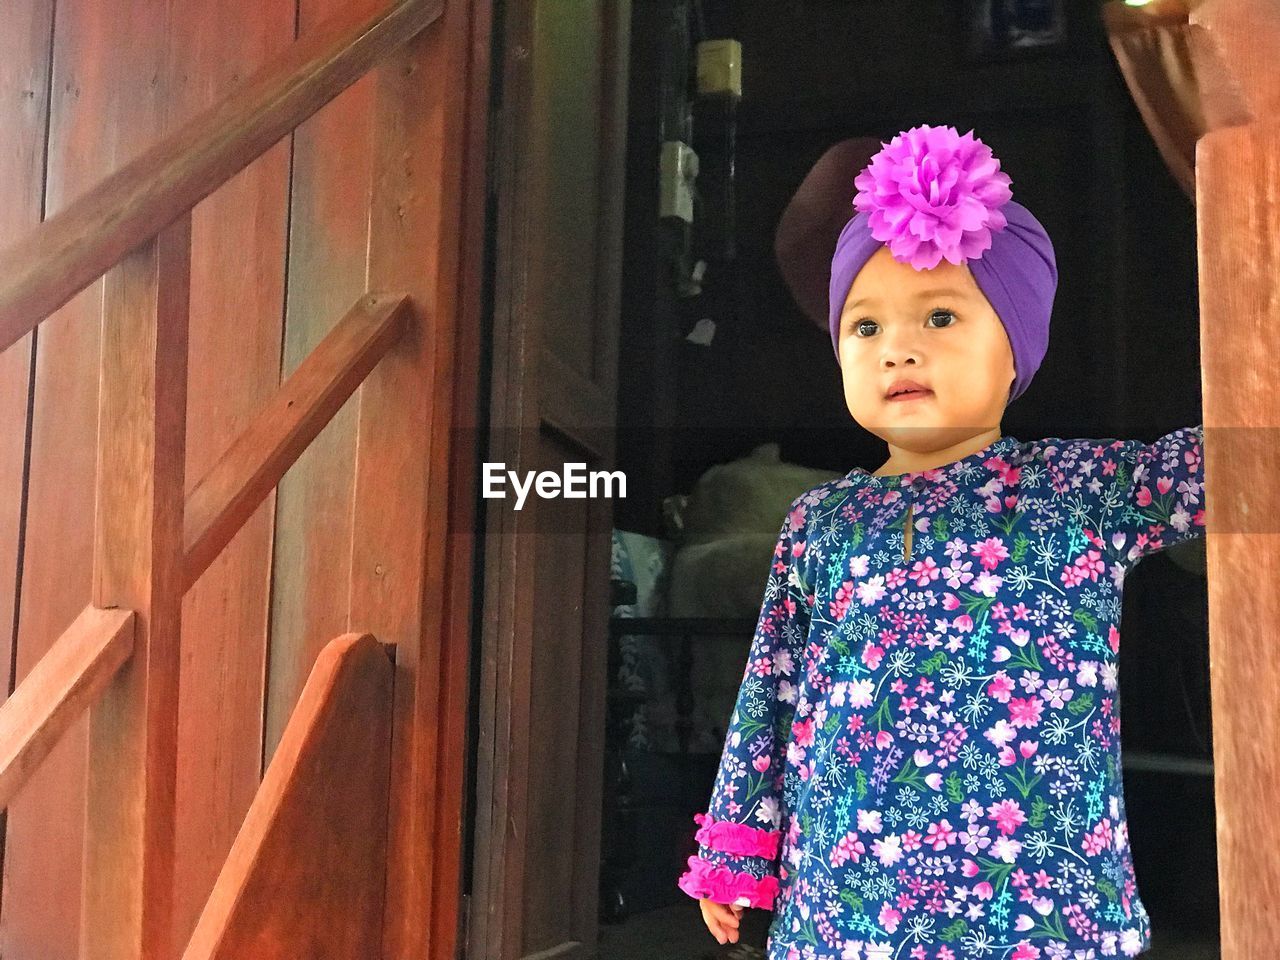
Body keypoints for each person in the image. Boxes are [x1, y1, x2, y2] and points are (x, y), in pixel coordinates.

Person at [677, 124, 1206, 960]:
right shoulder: (819, 522)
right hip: (850, 904)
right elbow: (767, 696)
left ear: (1014, 354)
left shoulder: (1083, 490)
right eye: (865, 328)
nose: (900, 349)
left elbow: (1227, 467)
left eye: (941, 314)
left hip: (1037, 907)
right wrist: (734, 852)